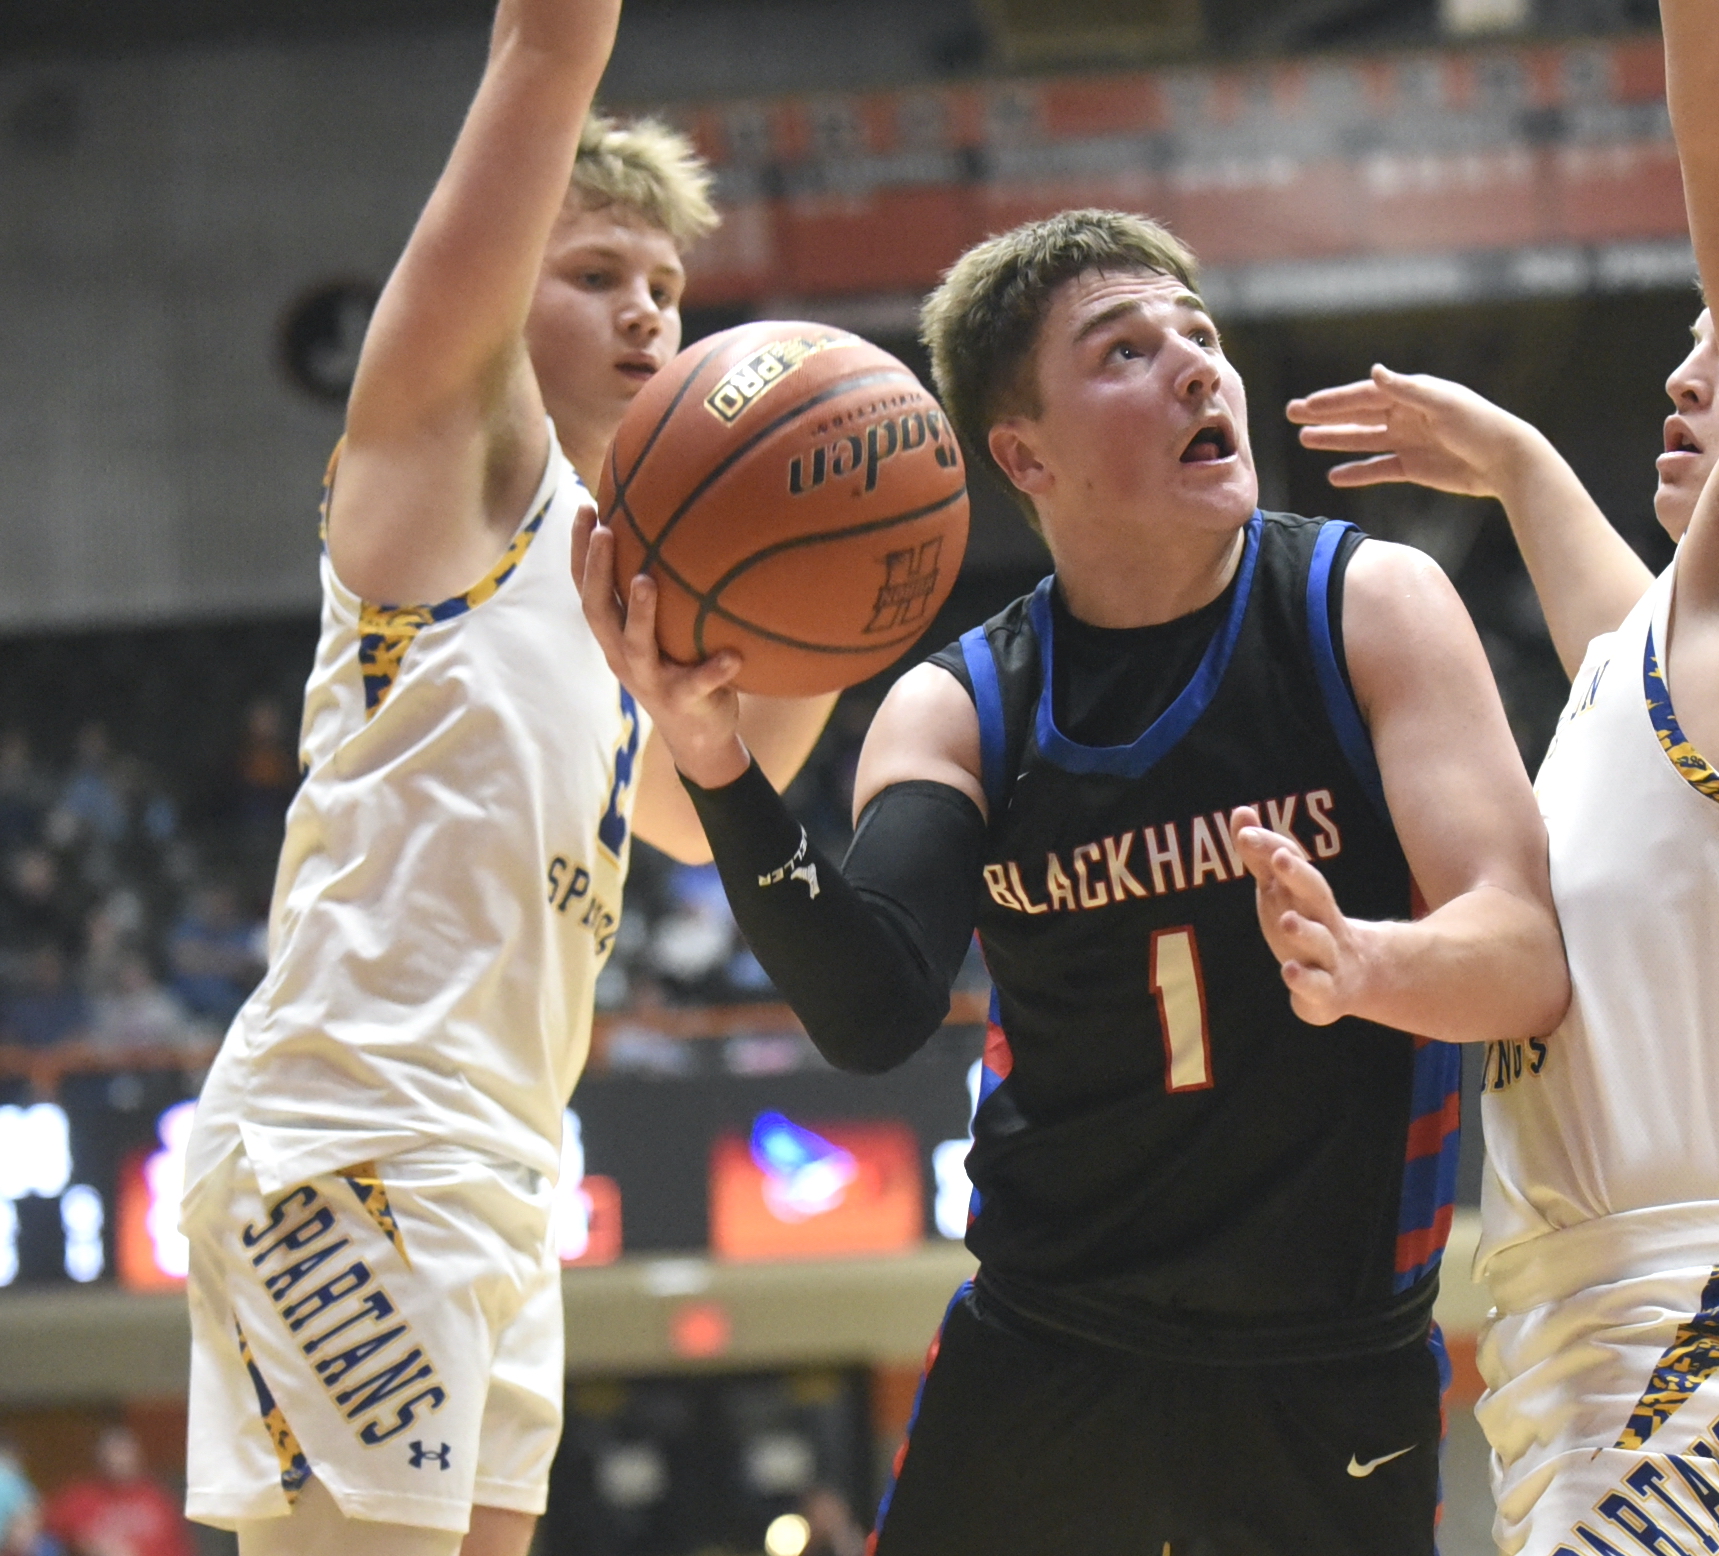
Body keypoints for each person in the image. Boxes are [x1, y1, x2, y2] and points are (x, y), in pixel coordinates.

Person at [577, 209, 1568, 1554]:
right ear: (1022, 453)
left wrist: (1370, 966)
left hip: (1327, 1357)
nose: (1194, 368)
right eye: (1125, 352)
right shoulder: (960, 706)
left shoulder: (1364, 604)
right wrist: (713, 758)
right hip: (1051, 1341)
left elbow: (1521, 958)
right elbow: (872, 1010)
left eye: (1198, 336)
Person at [1281, 6, 1719, 1556]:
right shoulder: (1668, 676)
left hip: (1703, 1319)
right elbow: (1609, 632)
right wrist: (1521, 462)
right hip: (1587, 1327)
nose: (1680, 375)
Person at [178, 3, 834, 1552]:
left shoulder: (621, 584)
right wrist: (552, 66)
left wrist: (836, 604)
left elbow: (692, 811)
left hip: (496, 1164)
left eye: (667, 287)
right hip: (355, 1133)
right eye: (595, 273)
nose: (647, 313)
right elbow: (544, 49)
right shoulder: (445, 466)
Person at [43, 1427, 191, 1556]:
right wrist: (83, 1543)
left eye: (124, 1454)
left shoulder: (158, 1499)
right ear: (100, 1458)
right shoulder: (79, 1497)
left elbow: (179, 1547)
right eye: (113, 1454)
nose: (118, 1461)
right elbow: (44, 1533)